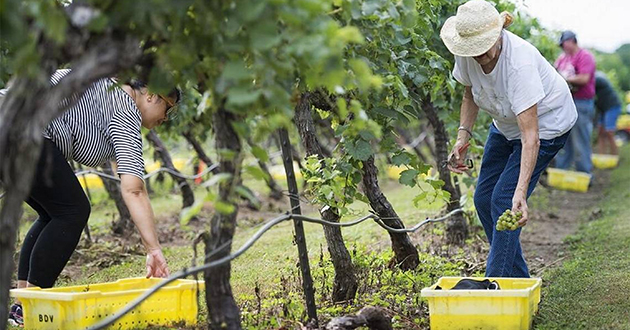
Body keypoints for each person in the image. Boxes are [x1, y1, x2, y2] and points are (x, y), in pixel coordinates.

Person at [6, 69, 178, 326]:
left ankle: (22, 303)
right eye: (169, 108)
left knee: (53, 212)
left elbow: (126, 171)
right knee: (73, 212)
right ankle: (30, 307)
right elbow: (134, 190)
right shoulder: (125, 108)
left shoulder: (105, 86)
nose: (167, 118)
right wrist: (154, 249)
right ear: (152, 95)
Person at [440, 0, 577, 277]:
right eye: (473, 48)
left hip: (547, 127)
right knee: (482, 199)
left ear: (498, 34)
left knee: (504, 200)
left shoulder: (519, 65)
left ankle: (496, 285)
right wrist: (461, 137)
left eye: (483, 46)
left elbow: (531, 136)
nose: (478, 54)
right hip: (505, 124)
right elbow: (469, 94)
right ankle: (520, 280)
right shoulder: (466, 51)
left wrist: (520, 191)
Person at [554, 30, 597, 174]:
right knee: (564, 139)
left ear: (572, 41)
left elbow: (584, 78)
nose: (563, 47)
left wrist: (565, 78)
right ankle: (562, 170)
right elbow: (554, 72)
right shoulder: (563, 58)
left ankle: (584, 173)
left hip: (582, 102)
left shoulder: (585, 56)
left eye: (565, 43)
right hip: (566, 103)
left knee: (581, 139)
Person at [594, 71, 622, 155]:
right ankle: (602, 156)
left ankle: (614, 156)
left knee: (609, 132)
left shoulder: (598, 79)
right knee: (600, 131)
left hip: (612, 106)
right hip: (603, 108)